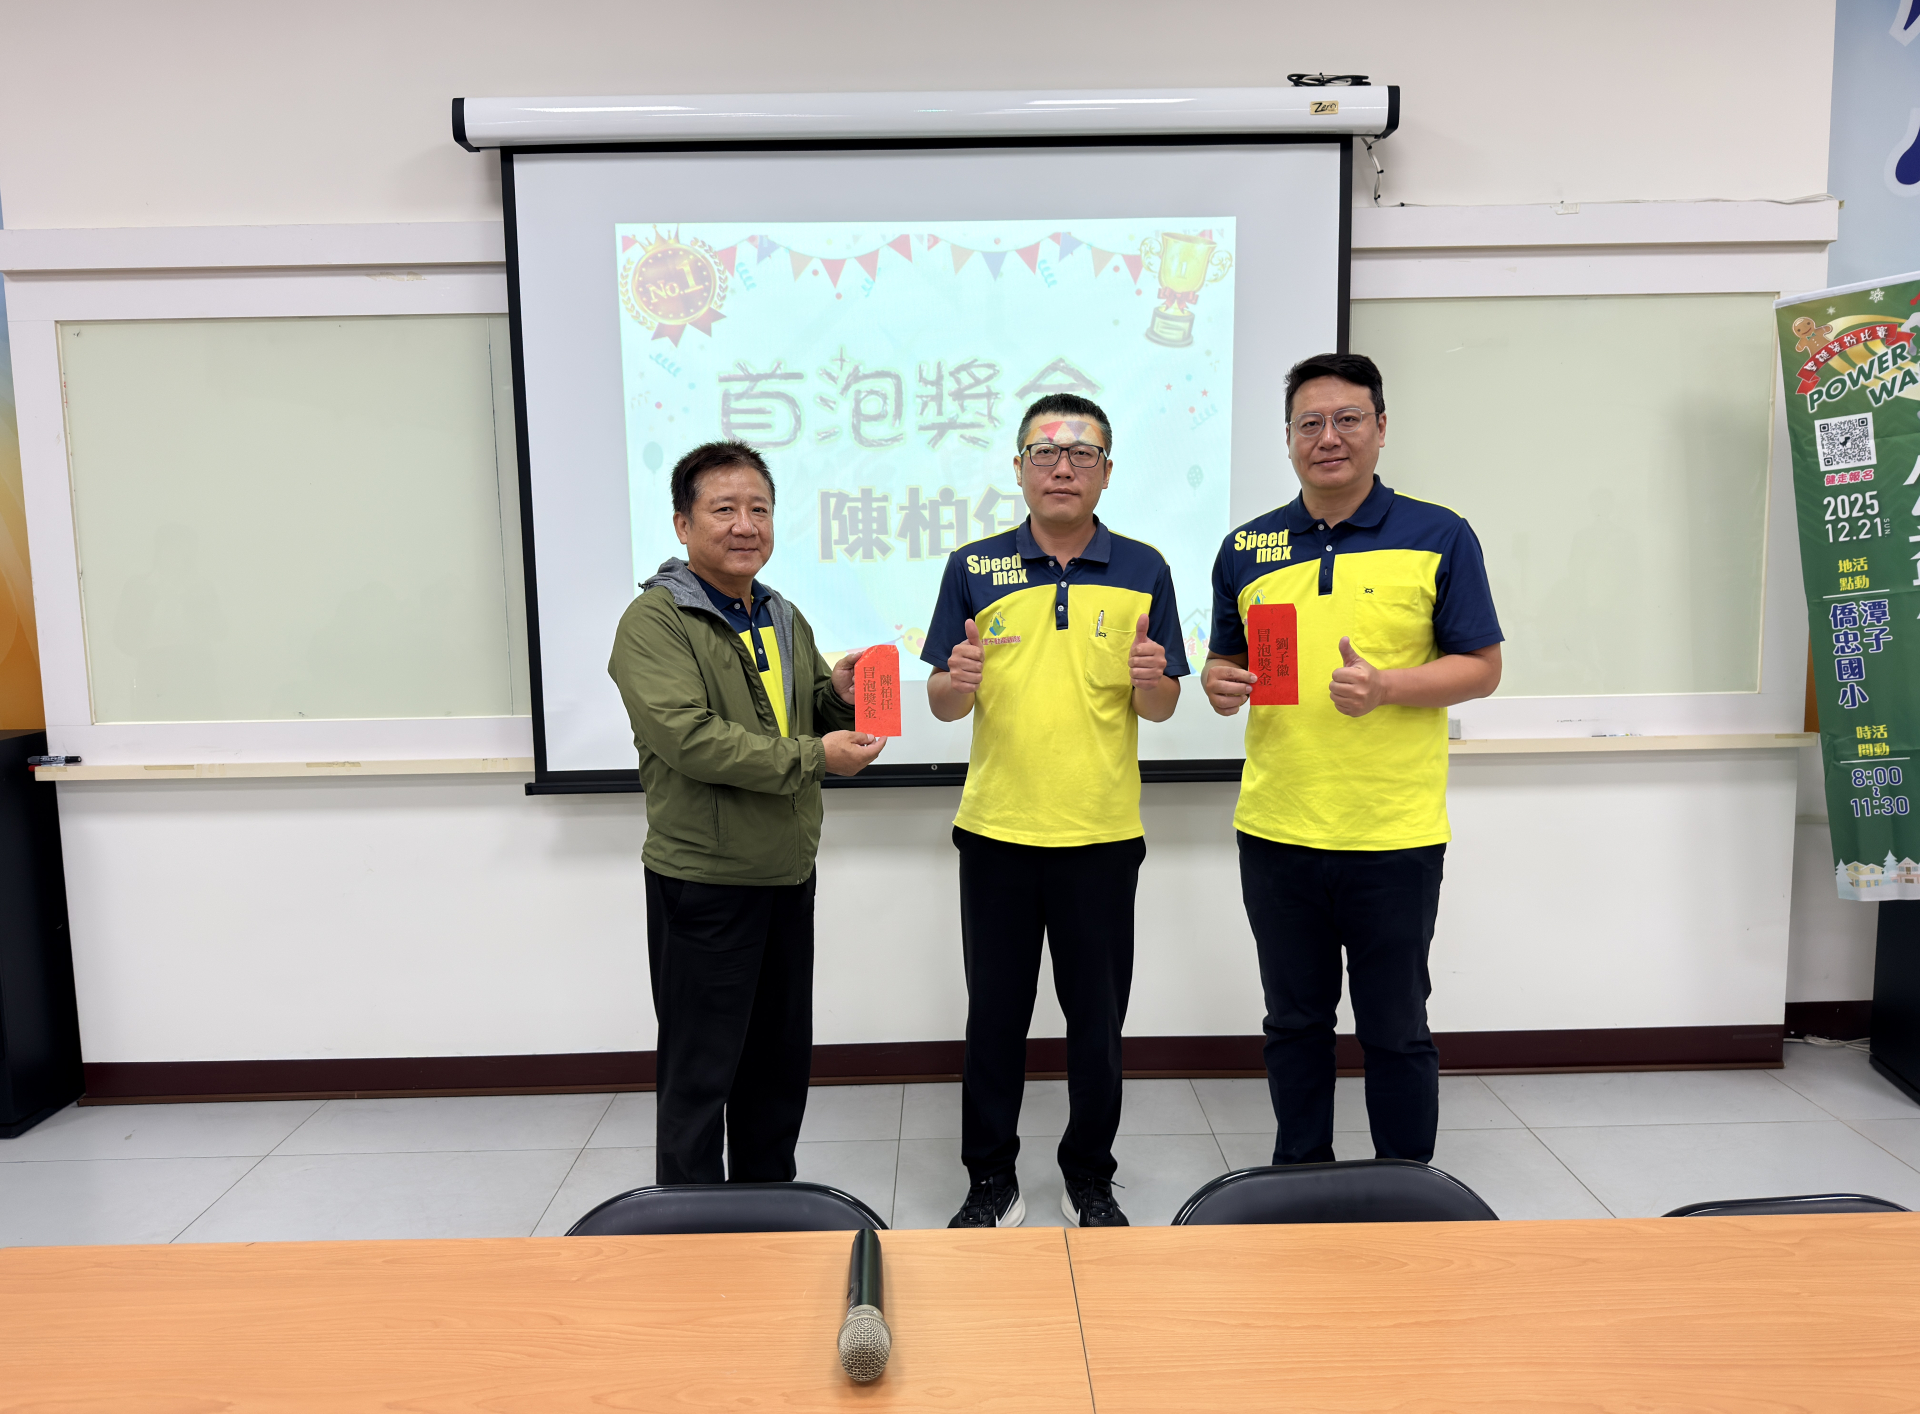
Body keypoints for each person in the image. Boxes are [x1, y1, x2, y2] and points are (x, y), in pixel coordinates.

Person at [1200, 352, 1502, 1166]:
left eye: (1347, 420)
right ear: (1288, 438)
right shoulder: (1247, 547)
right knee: (1293, 1023)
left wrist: (1389, 686)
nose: (1327, 438)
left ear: (1380, 428)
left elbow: (1482, 668)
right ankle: (1302, 1177)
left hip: (1392, 834)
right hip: (1277, 828)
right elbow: (1226, 663)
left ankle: (1403, 1190)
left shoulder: (1439, 534)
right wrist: (1219, 684)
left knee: (1395, 1028)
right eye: (1310, 423)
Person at [923, 393, 1189, 1228]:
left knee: (1097, 1024)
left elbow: (1162, 706)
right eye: (1045, 453)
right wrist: (955, 681)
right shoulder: (974, 565)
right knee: (994, 1019)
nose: (1063, 467)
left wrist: (1152, 680)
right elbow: (940, 702)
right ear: (1019, 469)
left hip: (1101, 835)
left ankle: (1089, 1177)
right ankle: (990, 1179)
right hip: (996, 832)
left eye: (1082, 454)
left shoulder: (1145, 568)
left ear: (1107, 472)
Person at [609, 440, 887, 1185]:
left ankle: (767, 1209)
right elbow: (693, 740)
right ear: (682, 524)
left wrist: (840, 693)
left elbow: (801, 713)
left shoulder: (780, 613)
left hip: (786, 873)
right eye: (723, 509)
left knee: (776, 1067)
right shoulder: (656, 621)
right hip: (705, 881)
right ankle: (694, 1226)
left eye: (758, 508)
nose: (744, 525)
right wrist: (817, 757)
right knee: (701, 1073)